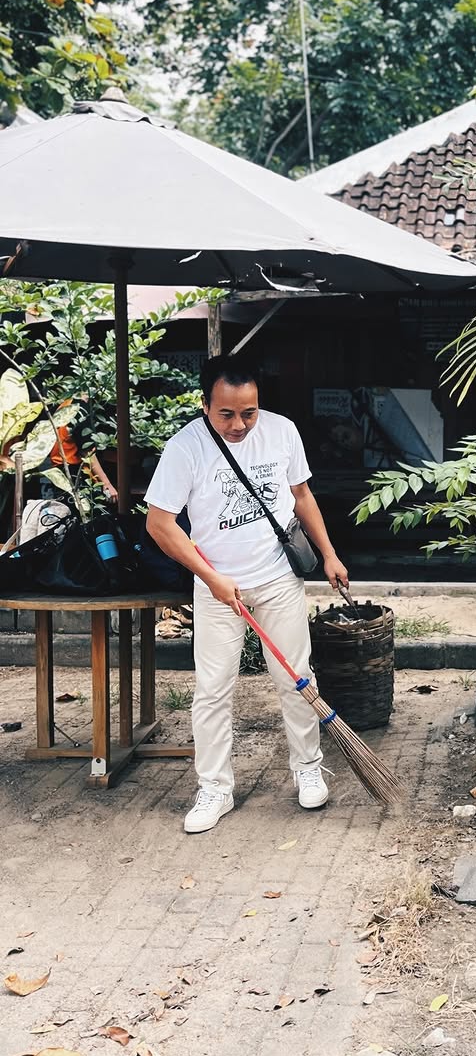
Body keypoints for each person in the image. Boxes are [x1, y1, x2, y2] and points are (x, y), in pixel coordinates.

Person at [145, 357, 349, 834]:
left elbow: (301, 496)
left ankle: (307, 766)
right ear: (205, 406)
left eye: (249, 413)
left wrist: (329, 554)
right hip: (217, 588)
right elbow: (160, 524)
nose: (239, 425)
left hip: (277, 578)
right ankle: (215, 787)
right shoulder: (185, 448)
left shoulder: (282, 432)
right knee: (213, 690)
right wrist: (210, 577)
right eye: (227, 415)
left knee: (296, 678)